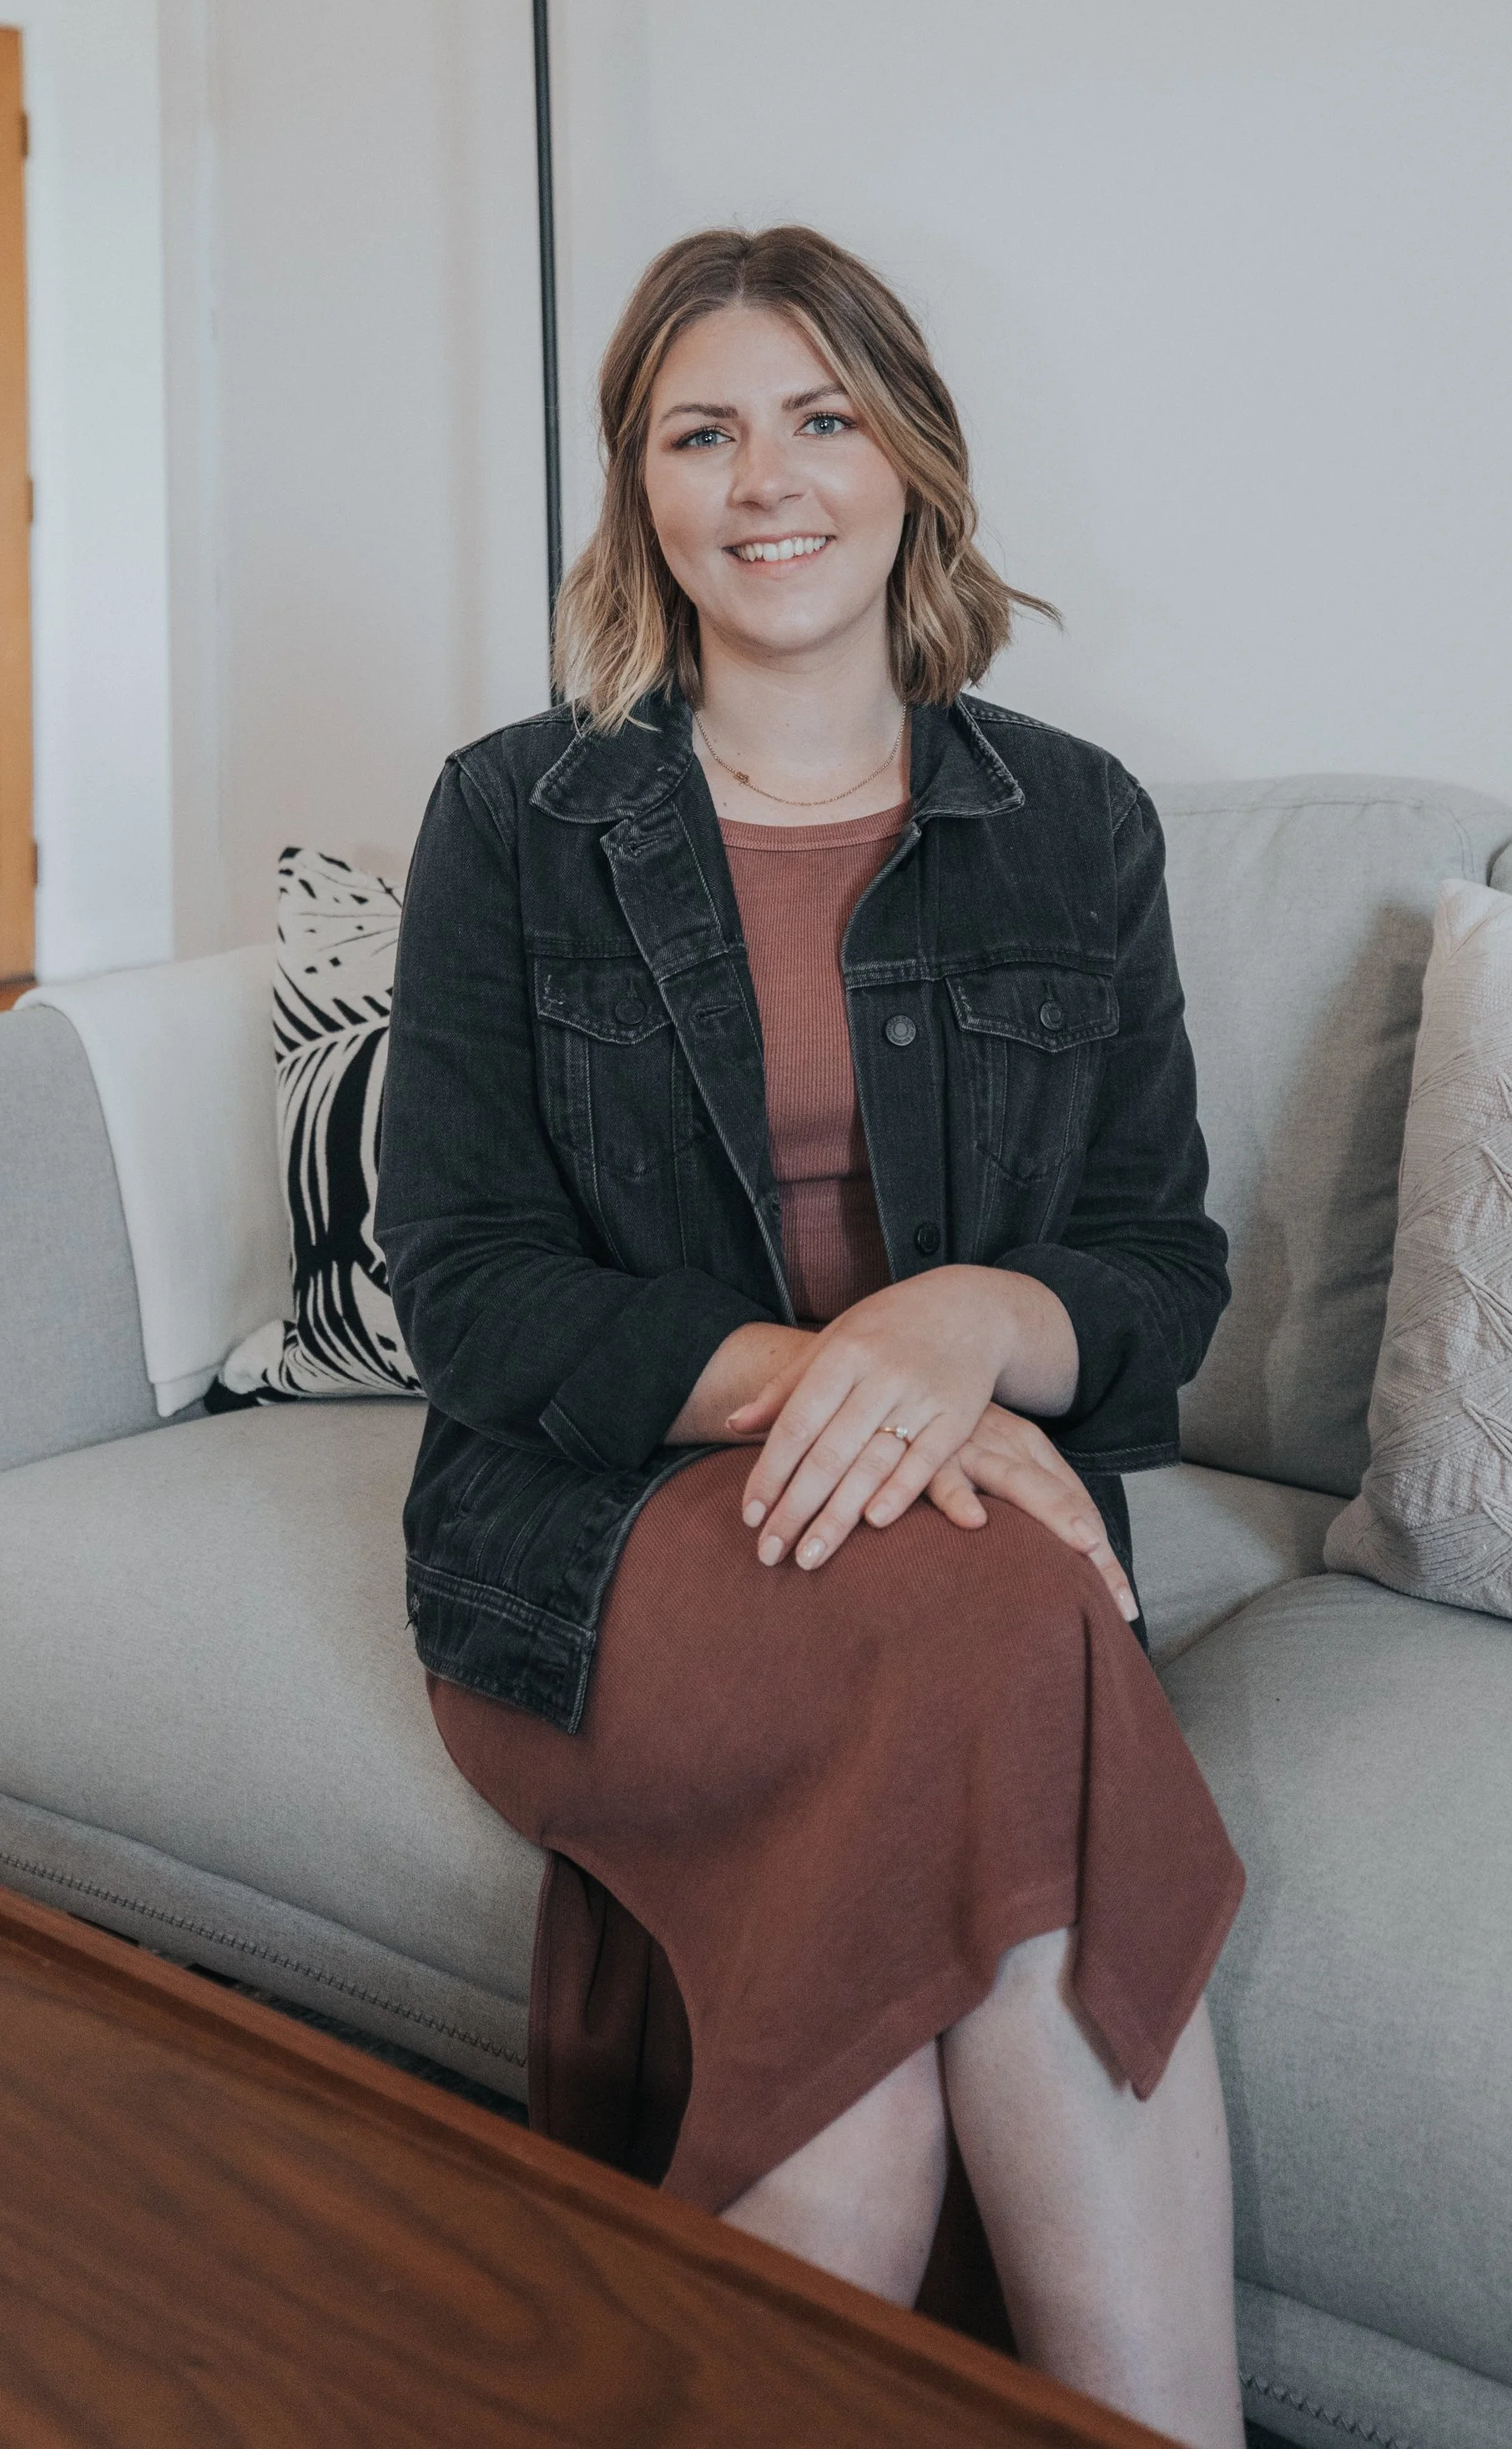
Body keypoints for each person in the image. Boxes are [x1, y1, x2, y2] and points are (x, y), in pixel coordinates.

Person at [377, 225, 1247, 2447]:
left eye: (821, 417)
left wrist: (969, 1322)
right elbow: (466, 1284)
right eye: (703, 432)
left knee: (867, 2085)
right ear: (641, 493)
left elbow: (1158, 1262)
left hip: (947, 1553)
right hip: (611, 1523)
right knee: (1019, 1614)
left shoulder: (1074, 824)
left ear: (910, 460)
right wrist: (852, 1387)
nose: (766, 478)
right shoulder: (511, 820)